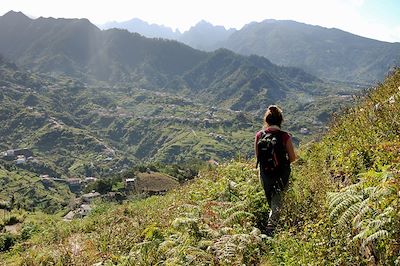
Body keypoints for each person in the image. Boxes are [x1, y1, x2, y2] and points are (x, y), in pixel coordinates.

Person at [254, 105, 296, 235]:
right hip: (281, 174)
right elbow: (293, 158)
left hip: (265, 173)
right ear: (280, 120)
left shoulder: (259, 135)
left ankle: (271, 224)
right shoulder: (285, 136)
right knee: (277, 201)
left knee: (270, 199)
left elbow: (258, 157)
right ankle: (270, 231)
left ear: (266, 120)